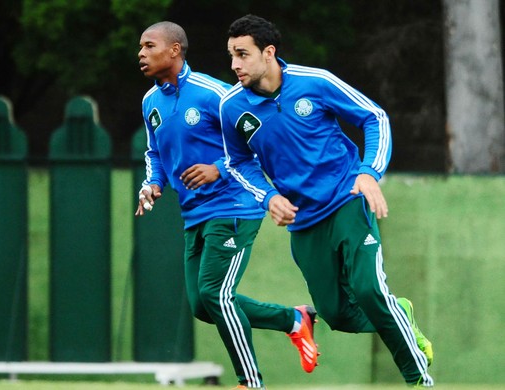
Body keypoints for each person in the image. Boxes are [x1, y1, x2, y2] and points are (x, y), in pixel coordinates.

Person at [219, 14, 434, 387]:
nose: (235, 64)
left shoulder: (315, 82)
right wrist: (268, 195)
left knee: (369, 290)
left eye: (243, 54)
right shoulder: (232, 108)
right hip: (304, 222)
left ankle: (418, 379)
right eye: (232, 55)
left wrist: (369, 172)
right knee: (339, 316)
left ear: (268, 53)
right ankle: (400, 312)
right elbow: (237, 162)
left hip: (347, 200)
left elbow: (374, 117)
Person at [136, 21, 319, 389]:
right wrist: (153, 182)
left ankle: (250, 381)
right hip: (194, 214)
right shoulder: (149, 102)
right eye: (140, 47)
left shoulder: (212, 93)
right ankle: (294, 320)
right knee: (203, 305)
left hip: (234, 205)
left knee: (215, 294)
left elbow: (252, 143)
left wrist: (217, 168)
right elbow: (154, 152)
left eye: (148, 45)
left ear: (174, 50)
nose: (141, 53)